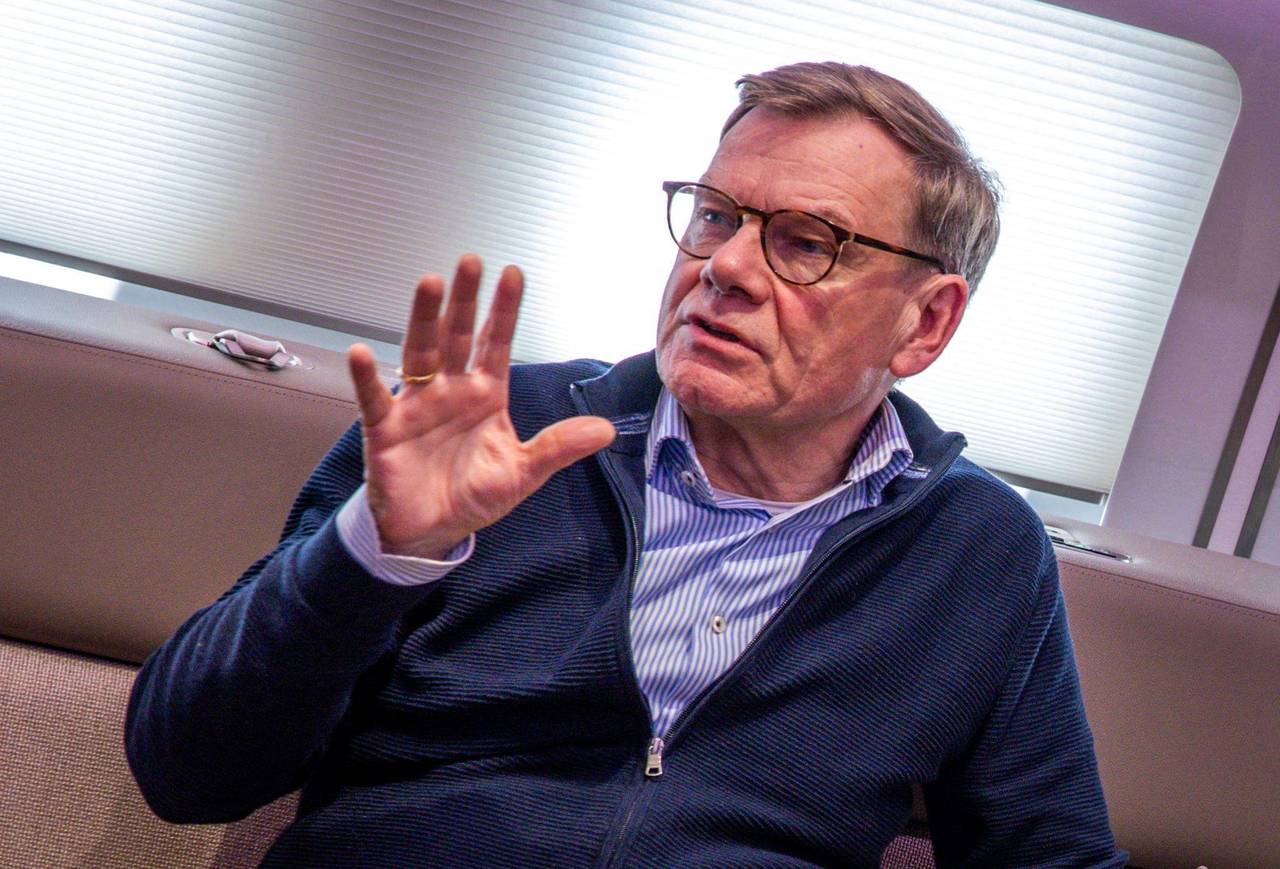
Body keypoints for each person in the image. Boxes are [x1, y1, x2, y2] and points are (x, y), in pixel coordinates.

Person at [126, 62, 1125, 867]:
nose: (724, 267)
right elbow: (184, 768)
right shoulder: (493, 431)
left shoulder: (973, 549)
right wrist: (376, 553)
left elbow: (1046, 853)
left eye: (805, 243)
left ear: (926, 322)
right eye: (716, 215)